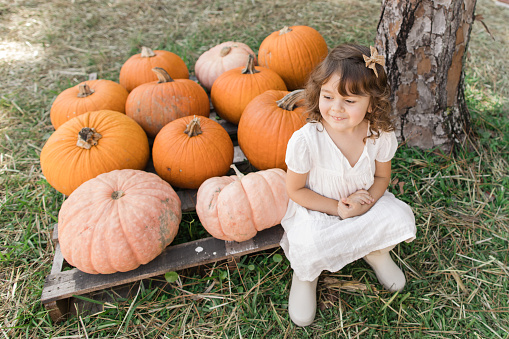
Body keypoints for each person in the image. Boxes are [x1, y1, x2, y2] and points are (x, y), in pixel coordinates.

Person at [280, 44, 417, 327]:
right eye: (328, 96)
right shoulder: (307, 140)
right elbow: (295, 190)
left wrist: (365, 201)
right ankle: (306, 275)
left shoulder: (379, 135)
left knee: (398, 215)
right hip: (318, 208)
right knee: (310, 242)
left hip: (364, 203)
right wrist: (337, 208)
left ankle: (375, 252)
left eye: (350, 101)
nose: (336, 108)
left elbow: (381, 179)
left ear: (372, 102)